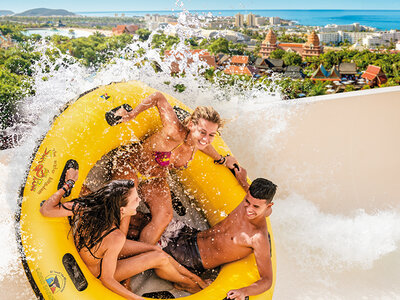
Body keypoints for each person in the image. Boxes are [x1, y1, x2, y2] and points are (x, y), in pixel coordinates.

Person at [40, 168, 206, 300]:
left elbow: (46, 210)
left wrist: (68, 184)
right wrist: (135, 298)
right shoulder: (116, 238)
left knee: (156, 250)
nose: (139, 201)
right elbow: (107, 278)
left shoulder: (88, 206)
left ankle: (195, 280)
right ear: (122, 209)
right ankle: (189, 284)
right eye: (135, 200)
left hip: (100, 248)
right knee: (159, 257)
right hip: (97, 269)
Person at [107, 91, 241, 245]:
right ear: (191, 125)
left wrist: (223, 159)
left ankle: (140, 253)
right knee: (127, 202)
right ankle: (116, 247)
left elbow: (205, 146)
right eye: (203, 132)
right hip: (131, 165)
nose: (206, 139)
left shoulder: (197, 143)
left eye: (211, 135)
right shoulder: (174, 131)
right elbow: (158, 97)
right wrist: (132, 114)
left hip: (154, 178)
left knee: (165, 216)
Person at [163, 172, 277, 300]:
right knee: (141, 220)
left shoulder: (258, 237)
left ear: (268, 205)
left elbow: (267, 280)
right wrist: (241, 177)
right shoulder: (252, 202)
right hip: (190, 234)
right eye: (247, 202)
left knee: (143, 236)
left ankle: (192, 283)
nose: (248, 209)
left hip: (191, 257)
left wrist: (244, 291)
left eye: (255, 207)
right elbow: (249, 191)